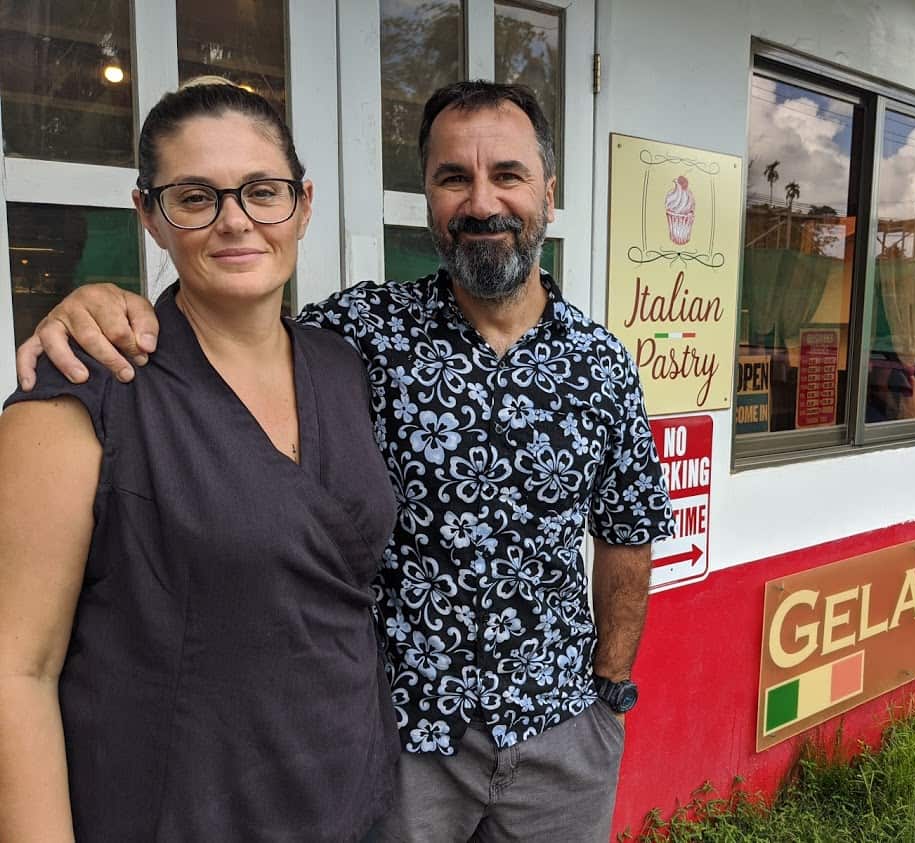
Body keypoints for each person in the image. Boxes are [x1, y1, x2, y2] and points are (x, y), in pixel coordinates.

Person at [17, 80, 675, 842]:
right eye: (453, 177)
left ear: (549, 194)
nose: (481, 201)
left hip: (562, 734)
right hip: (404, 743)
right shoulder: (360, 334)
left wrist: (609, 690)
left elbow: (628, 527)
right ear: (428, 196)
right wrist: (94, 301)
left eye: (508, 174)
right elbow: (231, 315)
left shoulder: (600, 362)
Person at [0, 78, 399, 841]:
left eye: (262, 191)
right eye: (195, 197)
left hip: (346, 798)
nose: (236, 221)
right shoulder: (85, 388)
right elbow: (16, 671)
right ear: (149, 215)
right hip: (177, 809)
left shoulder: (340, 365)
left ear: (304, 204)